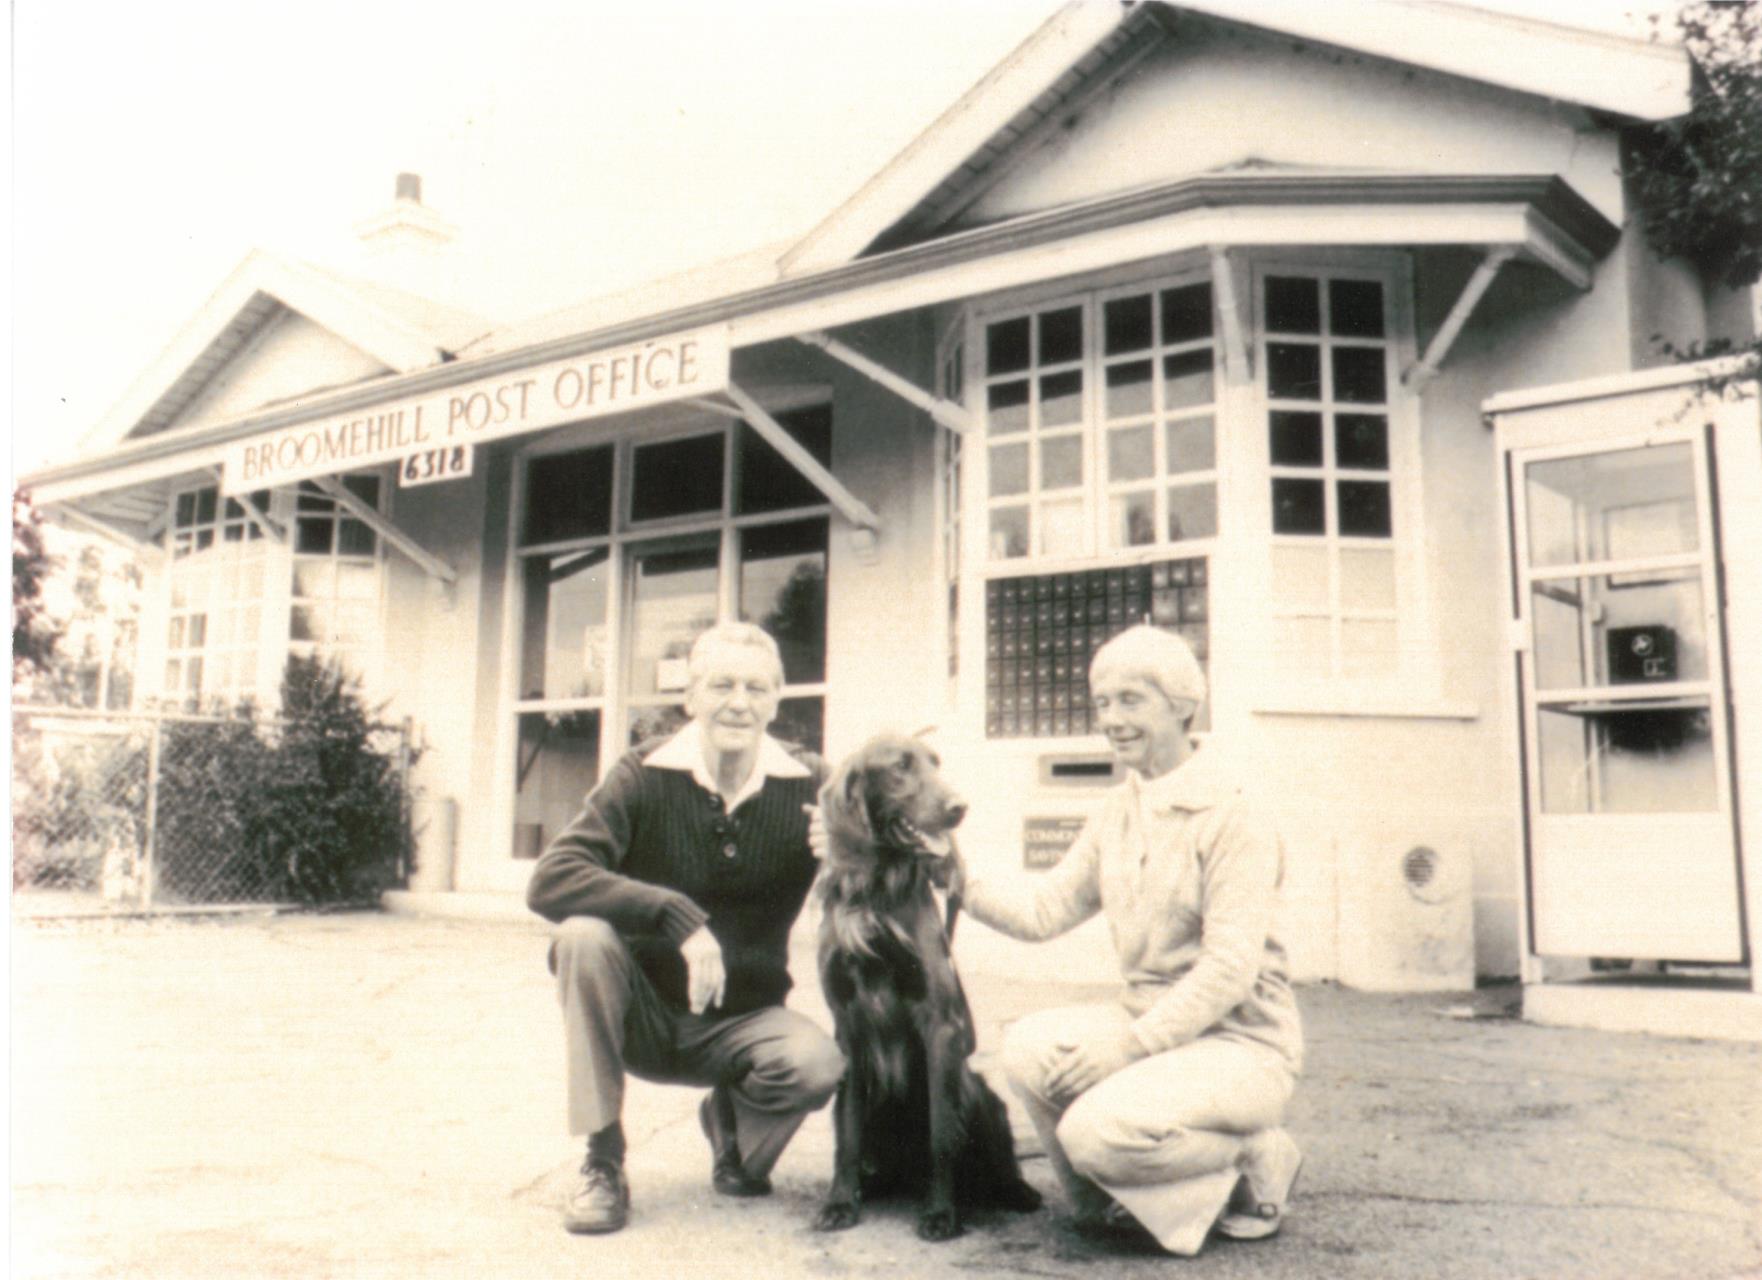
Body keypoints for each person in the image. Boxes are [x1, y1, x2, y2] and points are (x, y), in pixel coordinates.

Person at [956, 624, 1304, 1257]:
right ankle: (1111, 1206)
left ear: (1182, 705)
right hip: (1151, 1025)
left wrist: (1129, 1045)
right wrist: (952, 879)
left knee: (1095, 1132)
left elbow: (1228, 970)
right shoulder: (1119, 808)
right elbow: (1044, 911)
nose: (1111, 720)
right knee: (1028, 1048)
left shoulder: (1236, 813)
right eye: (1103, 703)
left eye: (1131, 700)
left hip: (1242, 1044)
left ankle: (1254, 1157)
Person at [526, 622, 843, 1235]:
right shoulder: (642, 773)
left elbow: (905, 843)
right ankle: (602, 1158)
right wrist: (677, 917)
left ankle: (731, 1131)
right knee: (582, 938)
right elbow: (551, 879)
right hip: (640, 1010)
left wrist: (852, 850)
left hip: (743, 1021)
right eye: (720, 684)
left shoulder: (809, 783)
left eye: (756, 687)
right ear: (690, 697)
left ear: (777, 700)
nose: (738, 702)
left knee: (817, 1064)